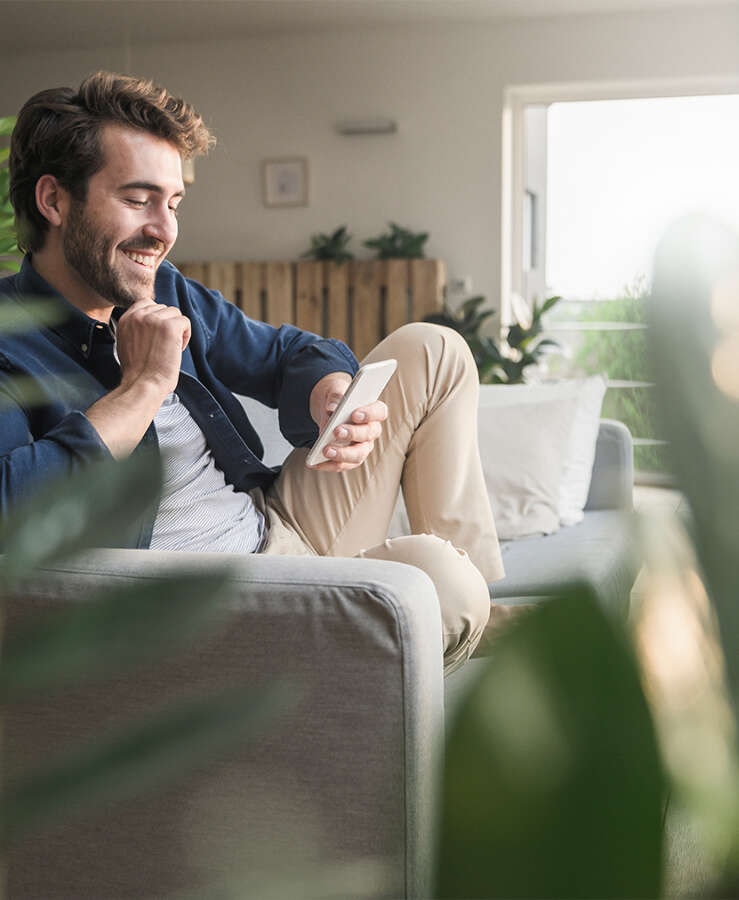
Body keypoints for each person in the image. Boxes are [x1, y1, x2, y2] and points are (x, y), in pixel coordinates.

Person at [0, 71, 506, 674]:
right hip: (220, 606)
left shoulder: (166, 291)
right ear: (54, 201)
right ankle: (450, 627)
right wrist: (143, 388)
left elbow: (286, 352)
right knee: (441, 583)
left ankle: (483, 622)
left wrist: (330, 393)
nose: (165, 230)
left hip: (275, 523)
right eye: (138, 200)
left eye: (174, 203)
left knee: (434, 350)